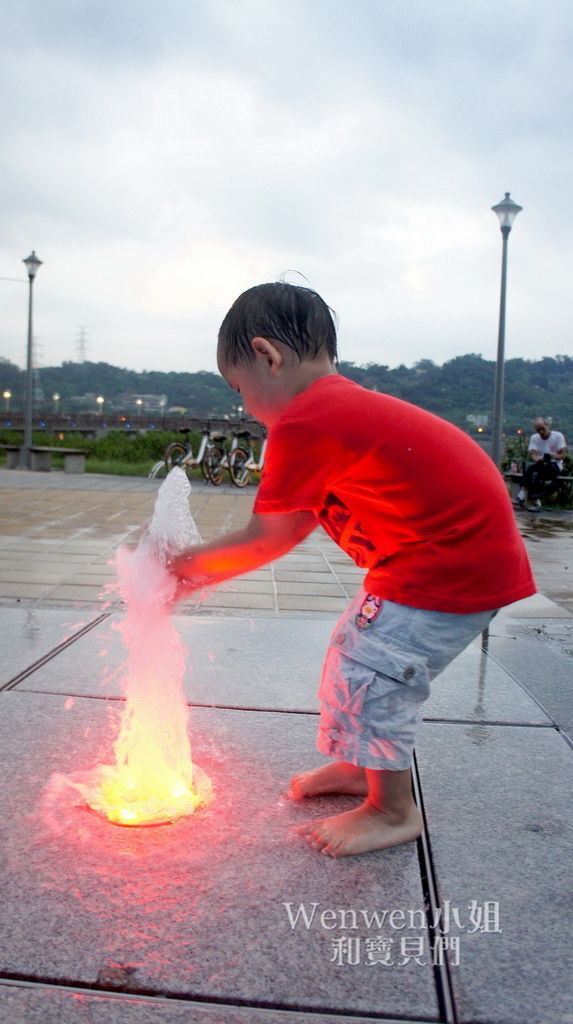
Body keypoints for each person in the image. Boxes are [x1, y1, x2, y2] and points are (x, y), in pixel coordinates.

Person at [171, 282, 536, 858]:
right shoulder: (338, 412)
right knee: (352, 654)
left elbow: (272, 537)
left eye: (239, 389)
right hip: (435, 560)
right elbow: (299, 522)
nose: (245, 408)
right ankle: (359, 764)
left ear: (267, 357)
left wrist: (179, 569)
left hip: (448, 567)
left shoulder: (309, 420)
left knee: (373, 674)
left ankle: (391, 811)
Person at [514, 418, 568, 509]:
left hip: (554, 465)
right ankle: (529, 497)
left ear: (547, 426)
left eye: (543, 429)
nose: (541, 432)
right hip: (541, 464)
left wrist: (552, 456)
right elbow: (534, 455)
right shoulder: (535, 438)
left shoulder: (558, 436)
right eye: (538, 430)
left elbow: (563, 455)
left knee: (537, 472)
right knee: (533, 469)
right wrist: (538, 459)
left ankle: (526, 496)